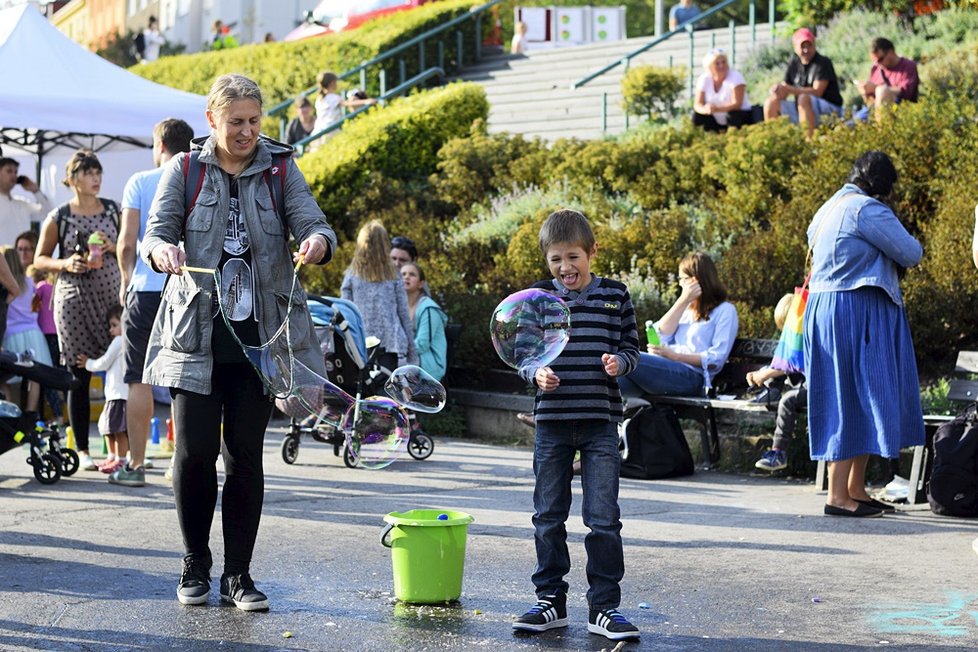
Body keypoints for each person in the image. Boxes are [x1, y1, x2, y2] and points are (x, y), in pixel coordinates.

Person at [141, 73, 336, 610]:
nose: (247, 131)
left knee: (246, 457)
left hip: (261, 341)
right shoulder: (184, 169)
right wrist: (162, 251)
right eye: (236, 122)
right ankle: (194, 565)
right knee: (194, 453)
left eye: (254, 120)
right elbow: (154, 232)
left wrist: (317, 242)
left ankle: (239, 575)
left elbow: (314, 223)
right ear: (212, 120)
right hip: (194, 335)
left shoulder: (280, 168)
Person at [512, 209, 640, 641]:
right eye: (555, 260)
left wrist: (619, 362)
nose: (565, 267)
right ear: (546, 262)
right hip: (552, 423)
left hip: (600, 422)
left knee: (603, 519)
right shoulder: (538, 301)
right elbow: (525, 356)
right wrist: (536, 373)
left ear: (592, 252)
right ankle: (550, 601)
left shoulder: (616, 295)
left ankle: (604, 607)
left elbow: (632, 348)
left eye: (572, 257)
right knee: (548, 516)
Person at [804, 151, 924, 518]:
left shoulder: (828, 208)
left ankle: (855, 489)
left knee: (853, 393)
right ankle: (838, 496)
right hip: (856, 308)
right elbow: (911, 252)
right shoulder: (866, 209)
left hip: (826, 308)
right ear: (884, 183)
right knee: (855, 395)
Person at [110, 118, 194, 488]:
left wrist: (126, 281)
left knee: (139, 379)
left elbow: (128, 241)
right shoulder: (195, 178)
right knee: (184, 376)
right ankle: (180, 461)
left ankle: (137, 464)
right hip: (188, 286)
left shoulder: (140, 182)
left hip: (145, 288)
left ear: (159, 145)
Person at [34, 150, 121, 473]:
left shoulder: (113, 211)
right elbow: (39, 260)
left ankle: (119, 448)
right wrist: (65, 263)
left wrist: (114, 247)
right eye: (89, 173)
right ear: (73, 179)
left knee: (118, 374)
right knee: (79, 375)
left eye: (98, 172)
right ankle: (82, 448)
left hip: (111, 301)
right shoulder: (60, 216)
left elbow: (132, 248)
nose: (96, 178)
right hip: (73, 301)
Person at [618, 252, 738, 399]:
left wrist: (674, 356)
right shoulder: (686, 309)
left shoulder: (725, 311)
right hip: (666, 369)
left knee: (626, 357)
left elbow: (716, 360)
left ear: (696, 280)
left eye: (683, 279)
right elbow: (659, 335)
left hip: (693, 378)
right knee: (613, 375)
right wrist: (682, 301)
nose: (680, 283)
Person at [341, 219, 417, 367]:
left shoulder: (351, 275)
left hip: (360, 343)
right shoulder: (394, 275)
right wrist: (412, 353)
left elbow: (346, 312)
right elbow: (403, 315)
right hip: (391, 344)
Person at [749, 293, 808, 472]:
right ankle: (772, 391)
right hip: (803, 384)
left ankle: (778, 452)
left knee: (787, 401)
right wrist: (765, 373)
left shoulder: (807, 337)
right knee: (779, 362)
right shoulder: (793, 339)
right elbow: (782, 362)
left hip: (815, 386)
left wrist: (767, 373)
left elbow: (795, 364)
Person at [0, 246, 54, 413]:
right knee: (33, 376)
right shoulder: (29, 282)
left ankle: (8, 413)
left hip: (11, 332)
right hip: (32, 332)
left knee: (5, 380)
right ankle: (31, 412)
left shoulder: (6, 285)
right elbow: (35, 306)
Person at [763, 28, 844, 139]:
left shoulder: (823, 62)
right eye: (802, 46)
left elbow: (817, 91)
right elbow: (785, 91)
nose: (806, 50)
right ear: (795, 48)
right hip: (803, 109)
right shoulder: (794, 63)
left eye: (809, 45)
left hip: (830, 110)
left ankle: (809, 143)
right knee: (770, 103)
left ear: (814, 45)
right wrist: (777, 91)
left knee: (803, 98)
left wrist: (791, 89)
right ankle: (775, 142)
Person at [78, 305, 128, 474]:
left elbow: (105, 362)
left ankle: (120, 459)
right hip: (114, 393)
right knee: (108, 427)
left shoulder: (120, 341)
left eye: (114, 325)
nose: (110, 330)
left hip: (119, 394)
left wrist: (88, 364)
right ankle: (113, 456)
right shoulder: (124, 341)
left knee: (118, 429)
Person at [28, 264, 64, 425]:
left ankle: (56, 414)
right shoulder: (56, 288)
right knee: (54, 373)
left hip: (46, 335)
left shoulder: (41, 287)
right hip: (57, 335)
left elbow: (31, 306)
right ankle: (59, 413)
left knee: (46, 376)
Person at [853, 38, 919, 122]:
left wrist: (877, 88)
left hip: (899, 107)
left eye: (880, 60)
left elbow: (906, 92)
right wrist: (865, 93)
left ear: (891, 52)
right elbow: (870, 103)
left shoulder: (908, 66)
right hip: (873, 110)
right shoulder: (876, 69)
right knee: (848, 125)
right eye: (875, 62)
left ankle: (882, 131)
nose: (878, 64)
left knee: (882, 91)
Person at [401, 262, 447, 381]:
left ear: (421, 284)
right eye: (403, 274)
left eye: (412, 274)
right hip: (409, 359)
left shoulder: (429, 308)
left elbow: (422, 344)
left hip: (429, 366)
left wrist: (398, 352)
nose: (406, 277)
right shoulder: (400, 307)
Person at [692, 48, 754, 132]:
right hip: (714, 117)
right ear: (710, 67)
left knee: (734, 114)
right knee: (697, 116)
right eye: (717, 64)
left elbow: (737, 103)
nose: (721, 66)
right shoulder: (704, 79)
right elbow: (698, 104)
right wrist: (706, 109)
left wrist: (717, 109)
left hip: (739, 117)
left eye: (723, 62)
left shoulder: (736, 77)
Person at [0, 157, 51, 246]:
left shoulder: (22, 203)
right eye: (9, 171)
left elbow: (48, 214)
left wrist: (36, 191)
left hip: (22, 257)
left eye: (15, 172)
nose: (13, 176)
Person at [313, 71, 377, 138]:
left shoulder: (319, 99)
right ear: (332, 83)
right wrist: (366, 101)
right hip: (330, 130)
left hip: (319, 129)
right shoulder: (333, 97)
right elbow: (347, 103)